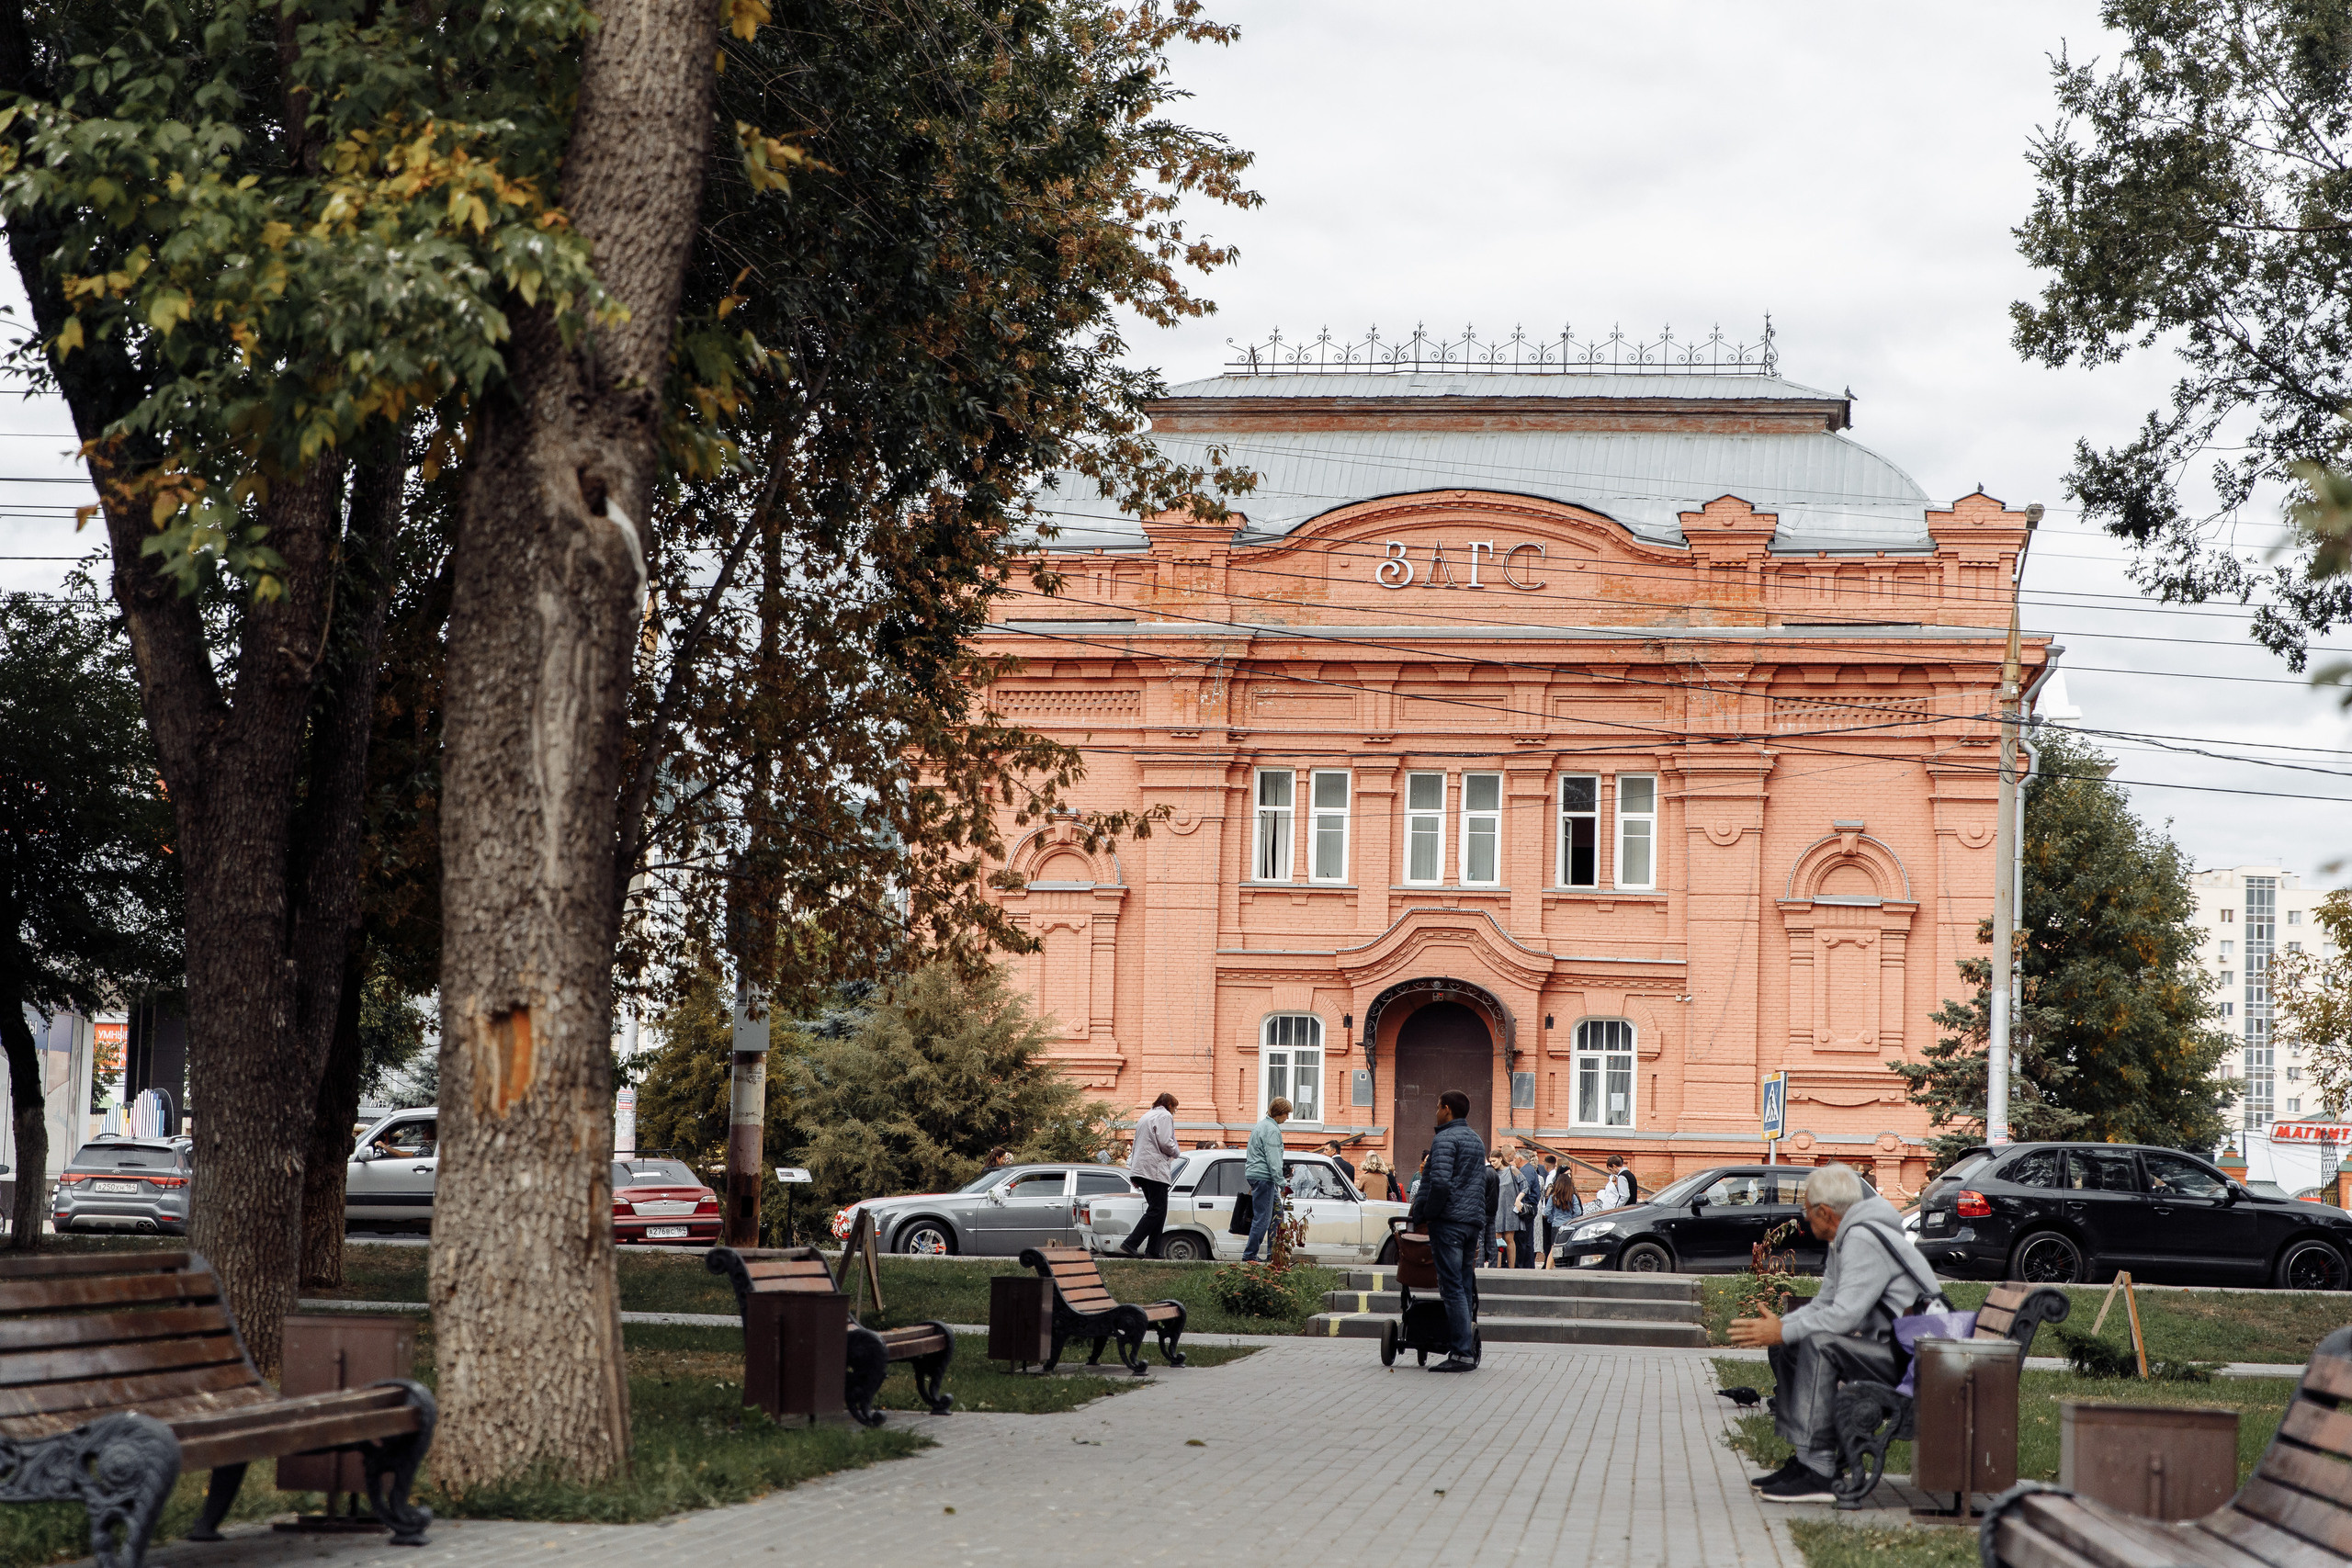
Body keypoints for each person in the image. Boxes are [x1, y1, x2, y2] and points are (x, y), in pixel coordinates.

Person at [1726, 1163, 1943, 1504]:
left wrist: (1784, 1330)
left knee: (1819, 1344)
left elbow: (1844, 1317)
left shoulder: (1863, 1238)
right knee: (1789, 1346)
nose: (1805, 1218)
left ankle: (1821, 1472)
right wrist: (1784, 1329)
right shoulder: (1845, 1239)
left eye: (1807, 1211)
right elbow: (1824, 1303)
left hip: (1919, 1364)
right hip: (1899, 1352)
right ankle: (1807, 1459)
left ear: (1825, 1212)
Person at [1415, 1090, 1487, 1372]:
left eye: (1437, 1107)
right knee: (1464, 1286)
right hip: (1471, 1222)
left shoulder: (1445, 1138)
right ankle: (1464, 1349)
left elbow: (1440, 1183)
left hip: (1449, 1223)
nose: (1436, 1112)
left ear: (1447, 1109)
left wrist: (1428, 1213)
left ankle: (1460, 1353)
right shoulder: (1476, 1140)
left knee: (1452, 1286)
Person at [1119, 1091, 1182, 1258]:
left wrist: (1134, 1172)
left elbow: (1136, 1145)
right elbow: (1166, 1142)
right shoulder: (1165, 1116)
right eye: (1175, 1108)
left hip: (1142, 1168)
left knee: (1158, 1211)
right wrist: (1176, 1152)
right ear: (1170, 1105)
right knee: (1157, 1209)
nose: (1174, 1112)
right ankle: (1131, 1242)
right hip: (1154, 1169)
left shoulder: (1146, 1116)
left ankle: (1153, 1251)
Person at [1240, 1097, 1291, 1262]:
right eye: (1286, 1114)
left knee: (1277, 1215)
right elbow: (1274, 1160)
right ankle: (1250, 1255)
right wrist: (1282, 1183)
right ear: (1279, 1113)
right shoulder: (1272, 1130)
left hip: (1257, 1175)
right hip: (1264, 1177)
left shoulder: (1261, 1125)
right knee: (1263, 1218)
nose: (1287, 1118)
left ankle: (1274, 1254)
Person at [1540, 1167, 1583, 1268]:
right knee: (1568, 1247)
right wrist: (1571, 1219)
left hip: (1556, 1225)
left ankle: (1548, 1268)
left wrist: (1552, 1219)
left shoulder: (1553, 1196)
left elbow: (1547, 1212)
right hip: (1568, 1226)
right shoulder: (1572, 1197)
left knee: (1554, 1248)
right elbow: (1578, 1212)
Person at [1511, 1150, 1545, 1269]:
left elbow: (1525, 1187)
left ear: (1520, 1159)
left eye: (1515, 1158)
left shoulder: (1526, 1170)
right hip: (1528, 1206)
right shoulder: (1528, 1169)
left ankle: (1525, 1265)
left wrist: (1518, 1199)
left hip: (1527, 1207)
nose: (1514, 1161)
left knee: (1524, 1238)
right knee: (1526, 1237)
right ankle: (1527, 1265)